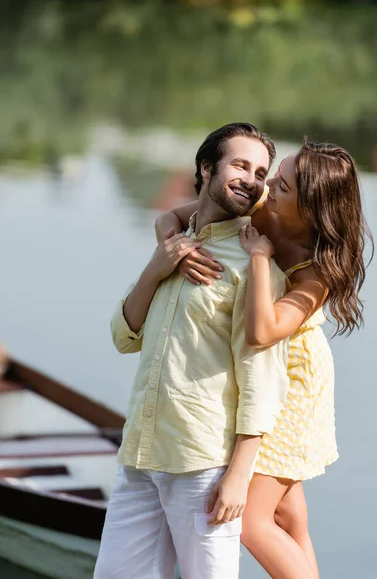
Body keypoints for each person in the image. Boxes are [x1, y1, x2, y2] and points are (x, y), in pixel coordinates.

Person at [156, 140, 372, 579]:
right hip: (261, 370)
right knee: (289, 516)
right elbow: (170, 217)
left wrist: (258, 257)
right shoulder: (264, 211)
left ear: (311, 208)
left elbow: (261, 331)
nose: (268, 183)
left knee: (253, 524)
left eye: (283, 184)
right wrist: (179, 254)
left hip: (292, 385)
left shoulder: (320, 270)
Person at [93, 123, 291, 579]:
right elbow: (124, 336)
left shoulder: (253, 262)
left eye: (261, 172)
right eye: (240, 165)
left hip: (203, 462)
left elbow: (262, 377)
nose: (252, 179)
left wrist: (239, 473)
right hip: (140, 454)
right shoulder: (175, 244)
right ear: (206, 168)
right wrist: (157, 268)